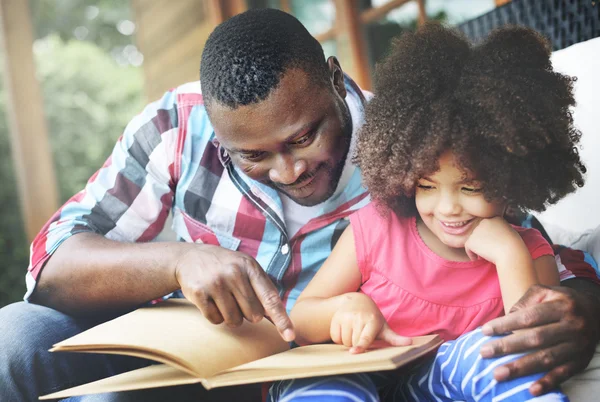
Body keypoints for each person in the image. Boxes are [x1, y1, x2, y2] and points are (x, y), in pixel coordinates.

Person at [0, 8, 598, 402]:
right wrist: (177, 261)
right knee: (15, 338)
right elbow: (51, 267)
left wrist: (580, 307)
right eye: (253, 156)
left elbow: (534, 251)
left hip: (308, 375)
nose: (288, 170)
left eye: (304, 137)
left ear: (334, 81)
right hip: (181, 358)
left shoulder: (412, 146)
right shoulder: (175, 127)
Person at [268, 24, 596, 402]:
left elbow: (530, 349)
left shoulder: (528, 250)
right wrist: (346, 307)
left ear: (513, 180)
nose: (448, 207)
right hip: (360, 373)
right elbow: (301, 321)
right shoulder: (377, 228)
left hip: (440, 383)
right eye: (426, 186)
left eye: (470, 187)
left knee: (491, 358)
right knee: (314, 385)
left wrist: (509, 254)